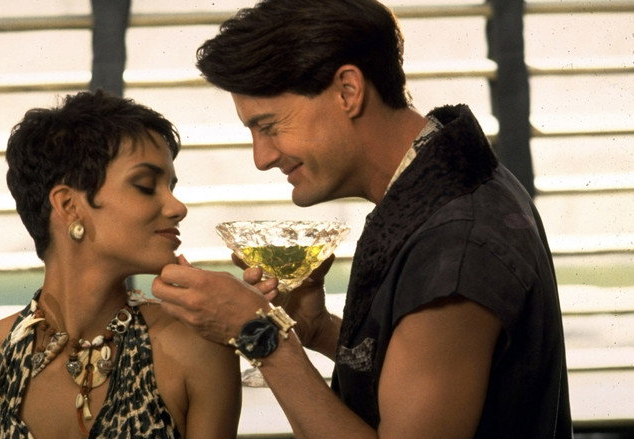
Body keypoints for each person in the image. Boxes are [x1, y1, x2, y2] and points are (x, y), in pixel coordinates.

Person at [152, 0, 573, 438]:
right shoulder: (447, 188)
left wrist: (260, 334)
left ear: (348, 91)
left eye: (270, 127)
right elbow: (419, 377)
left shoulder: (456, 244)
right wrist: (318, 330)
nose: (262, 157)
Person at [0, 91, 241, 439]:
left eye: (171, 187)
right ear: (69, 205)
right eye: (146, 186)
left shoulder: (200, 349)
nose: (178, 207)